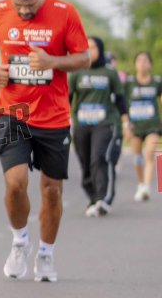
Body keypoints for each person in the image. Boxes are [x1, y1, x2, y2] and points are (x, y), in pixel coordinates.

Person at [0, 0, 89, 283]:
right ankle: (20, 240)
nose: (25, 11)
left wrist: (53, 62)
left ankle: (46, 253)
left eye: (30, 5)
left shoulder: (64, 12)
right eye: (19, 5)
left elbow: (83, 58)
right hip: (12, 113)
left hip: (53, 117)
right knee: (15, 183)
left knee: (52, 191)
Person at [69, 36, 127, 215]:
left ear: (100, 50)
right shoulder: (77, 72)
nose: (89, 51)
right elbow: (67, 98)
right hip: (81, 124)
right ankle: (93, 197)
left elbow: (120, 98)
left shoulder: (109, 72)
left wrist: (125, 122)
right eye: (86, 48)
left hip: (104, 122)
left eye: (93, 47)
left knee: (99, 157)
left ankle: (103, 198)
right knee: (85, 161)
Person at [123, 50, 162, 201]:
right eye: (139, 61)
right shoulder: (129, 83)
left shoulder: (157, 82)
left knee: (150, 152)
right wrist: (125, 125)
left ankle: (146, 186)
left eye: (145, 61)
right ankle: (140, 183)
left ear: (150, 64)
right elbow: (122, 104)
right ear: (135, 64)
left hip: (152, 125)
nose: (142, 64)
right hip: (135, 126)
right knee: (137, 157)